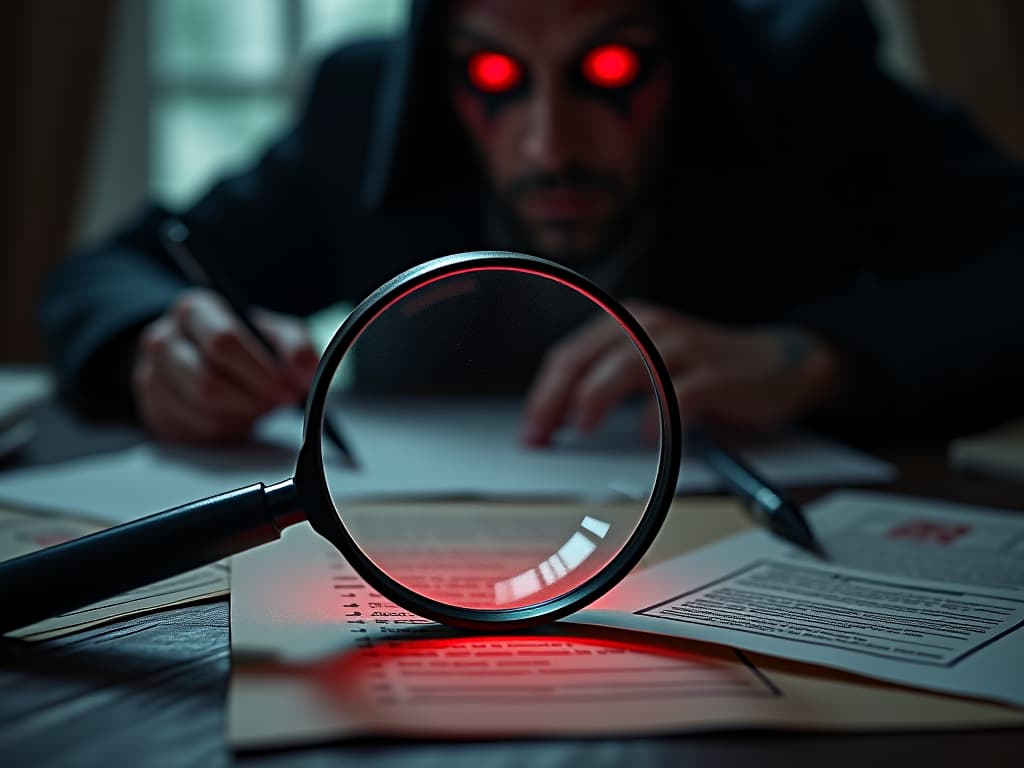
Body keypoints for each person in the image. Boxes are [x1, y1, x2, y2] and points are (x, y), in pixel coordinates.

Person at [39, 0, 1024, 446]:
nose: (551, 145)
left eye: (609, 72)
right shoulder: (364, 104)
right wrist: (153, 349)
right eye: (496, 79)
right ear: (443, 76)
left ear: (688, 55)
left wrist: (814, 359)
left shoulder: (802, 77)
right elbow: (115, 268)